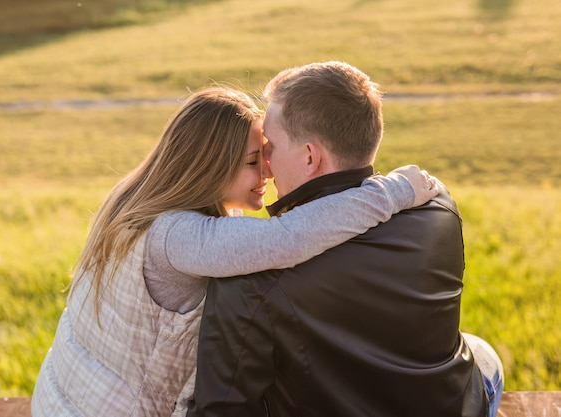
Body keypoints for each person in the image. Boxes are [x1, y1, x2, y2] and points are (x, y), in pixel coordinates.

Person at [30, 86, 438, 417]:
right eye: (251, 162)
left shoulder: (132, 200)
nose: (267, 172)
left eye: (266, 156)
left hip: (58, 400)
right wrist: (395, 190)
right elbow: (286, 239)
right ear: (207, 165)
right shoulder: (176, 237)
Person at [186, 62, 504, 417]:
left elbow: (221, 410)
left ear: (310, 156)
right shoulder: (436, 204)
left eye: (271, 146)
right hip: (452, 406)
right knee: (482, 352)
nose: (267, 165)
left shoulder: (249, 274)